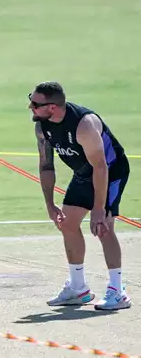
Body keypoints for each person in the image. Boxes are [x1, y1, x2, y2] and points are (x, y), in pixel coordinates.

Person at [30, 81, 131, 311]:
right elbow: (46, 166)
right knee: (68, 224)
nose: (31, 107)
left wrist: (98, 209)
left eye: (35, 104)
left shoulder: (83, 125)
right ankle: (78, 289)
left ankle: (118, 292)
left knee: (103, 227)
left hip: (110, 172)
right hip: (84, 173)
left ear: (53, 107)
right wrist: (49, 204)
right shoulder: (41, 126)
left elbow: (101, 167)